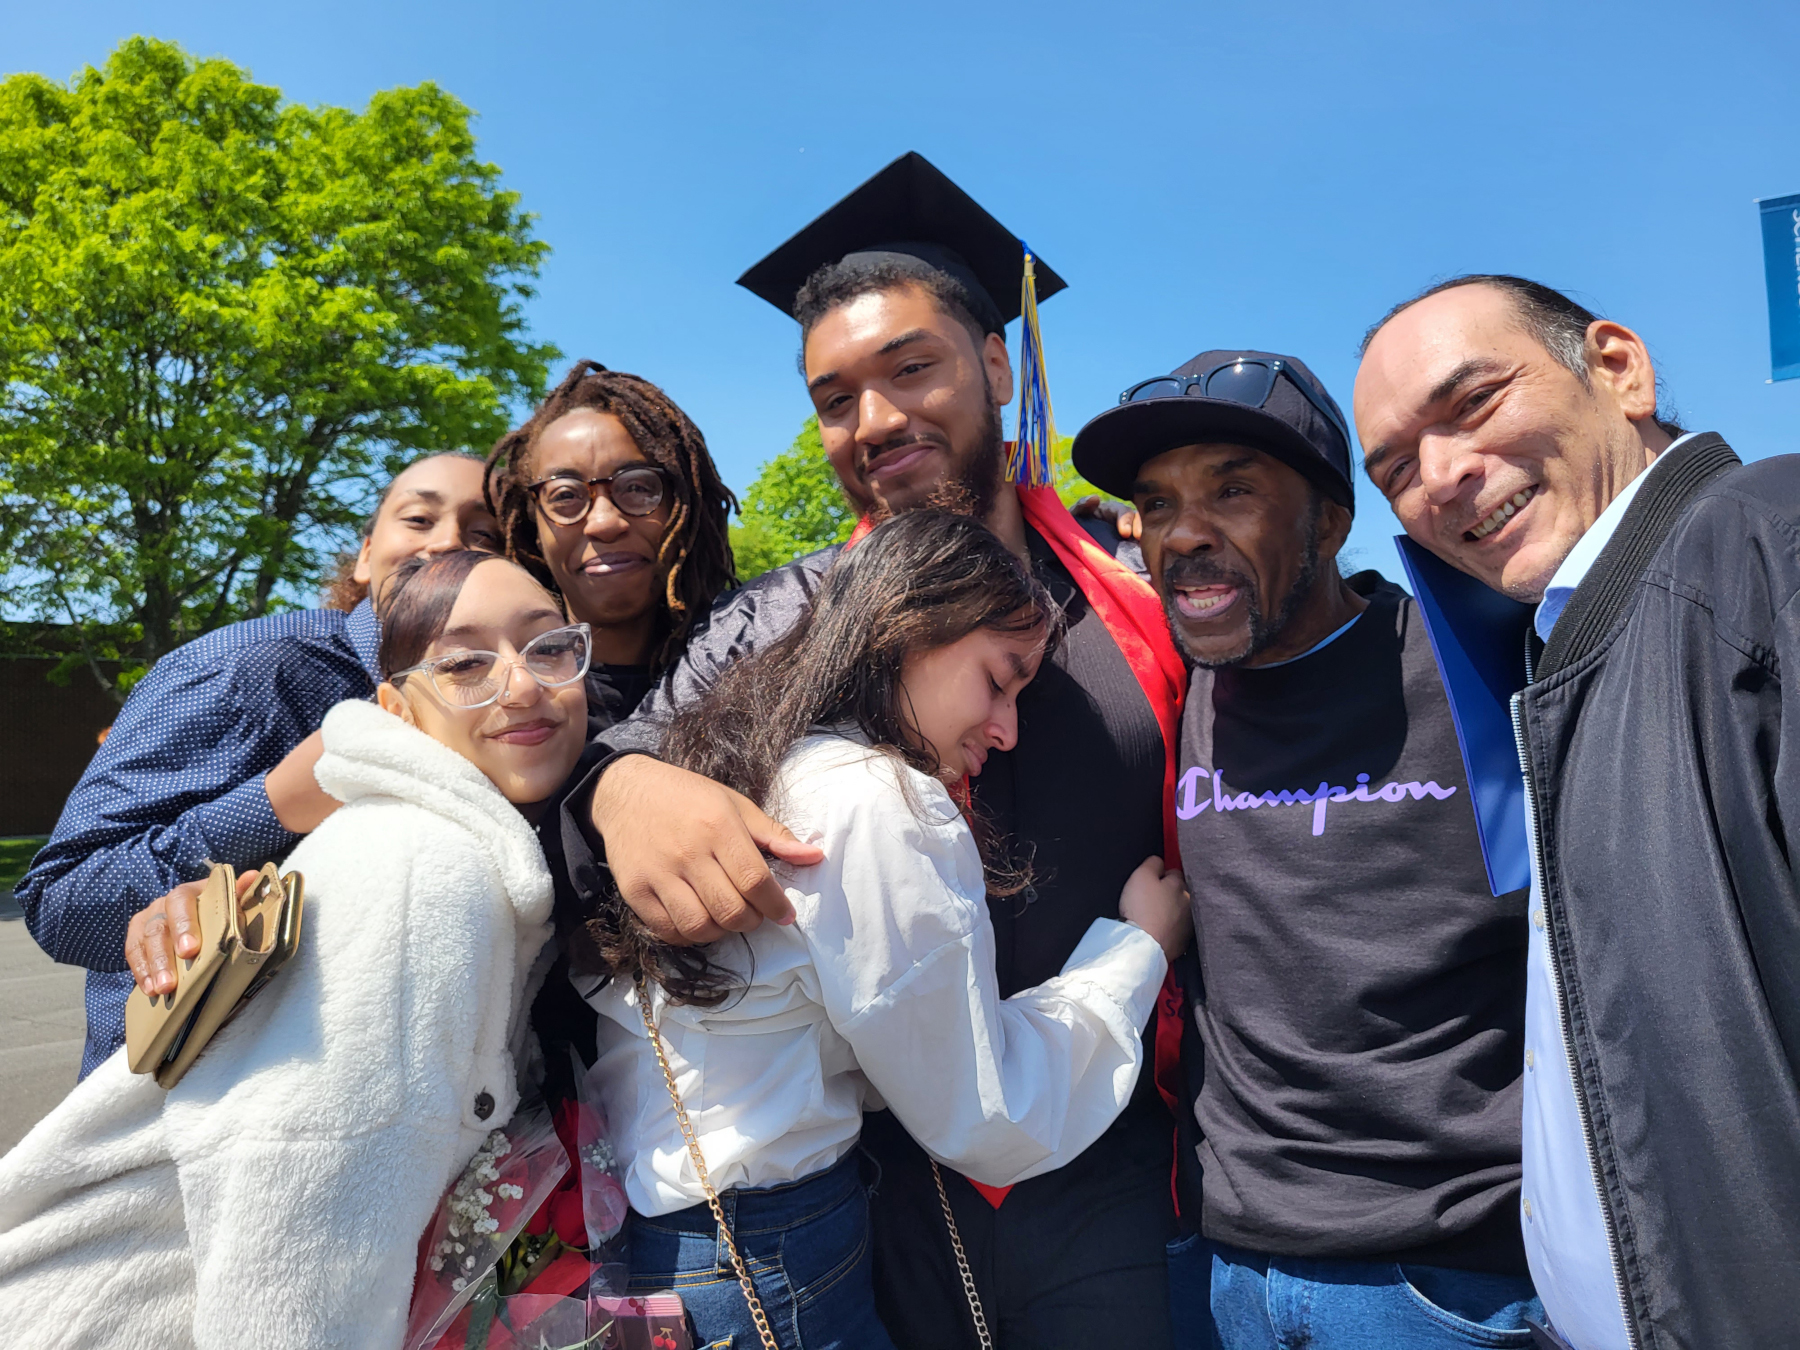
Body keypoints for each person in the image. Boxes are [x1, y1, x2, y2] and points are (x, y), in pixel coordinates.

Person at [560, 152, 1193, 1349]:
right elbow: (621, 754)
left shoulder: (1142, 591)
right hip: (876, 1186)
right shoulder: (771, 621)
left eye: (913, 369)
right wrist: (622, 787)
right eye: (836, 397)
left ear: (997, 364)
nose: (877, 422)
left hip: (1124, 1167)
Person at [579, 509, 1188, 1350]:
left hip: (675, 1241)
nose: (1007, 730)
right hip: (772, 1255)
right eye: (998, 679)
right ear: (910, 631)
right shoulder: (875, 799)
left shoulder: (757, 763)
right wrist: (1140, 948)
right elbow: (987, 1115)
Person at [1354, 274, 1800, 1350]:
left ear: (1620, 367)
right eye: (1398, 469)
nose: (1446, 477)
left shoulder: (1761, 551)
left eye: (1472, 405)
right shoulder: (1570, 647)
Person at [1070, 349, 1543, 1347]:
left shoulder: (1484, 667)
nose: (1184, 534)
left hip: (1450, 1285)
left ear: (1330, 522)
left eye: (1233, 491)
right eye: (1157, 506)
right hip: (1219, 1275)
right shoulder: (1171, 692)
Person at [0, 550, 590, 1350]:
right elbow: (290, 1267)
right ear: (396, 709)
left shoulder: (463, 845)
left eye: (548, 647)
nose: (521, 685)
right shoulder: (418, 866)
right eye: (463, 663)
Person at [17, 452, 501, 1075]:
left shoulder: (506, 708)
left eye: (485, 534)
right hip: (188, 1125)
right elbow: (63, 904)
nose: (448, 543)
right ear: (365, 553)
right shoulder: (243, 667)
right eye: (418, 518)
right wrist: (276, 803)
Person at [483, 359, 739, 729]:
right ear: (531, 527)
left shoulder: (757, 663)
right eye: (565, 495)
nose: (604, 523)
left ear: (684, 504)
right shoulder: (499, 702)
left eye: (637, 487)